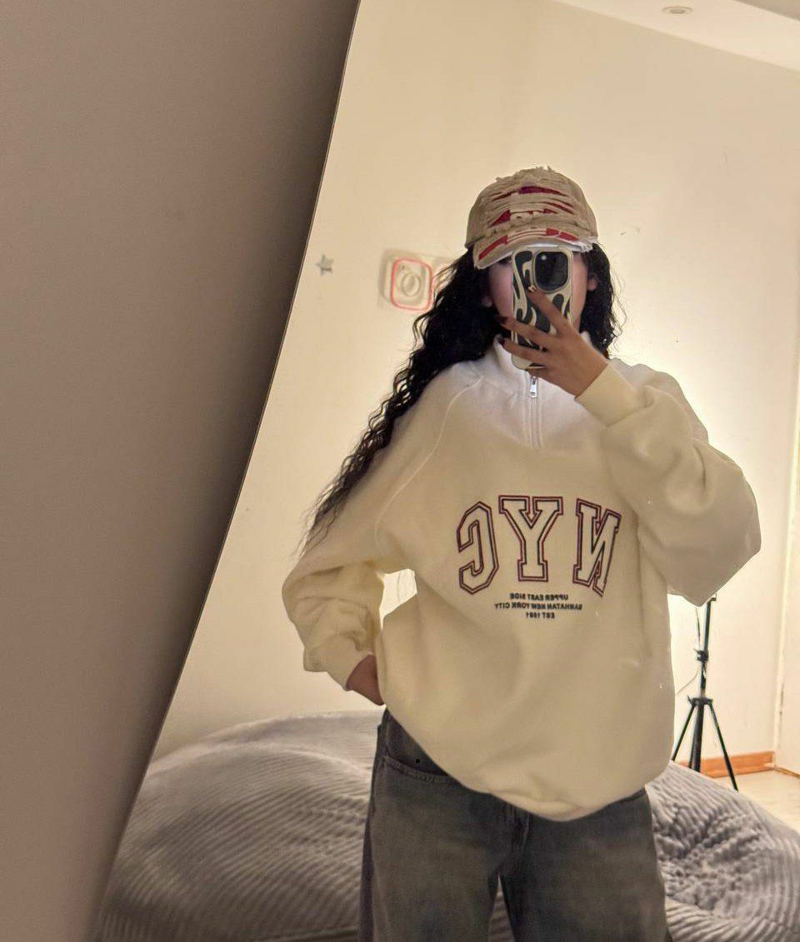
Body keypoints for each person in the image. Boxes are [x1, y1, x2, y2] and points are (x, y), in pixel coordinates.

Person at [281, 166, 761, 941]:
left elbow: (718, 548)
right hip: (436, 773)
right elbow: (328, 564)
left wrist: (602, 392)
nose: (536, 281)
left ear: (590, 274)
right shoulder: (448, 409)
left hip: (599, 778)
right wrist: (356, 662)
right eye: (512, 262)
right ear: (484, 290)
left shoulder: (645, 402)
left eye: (554, 257)